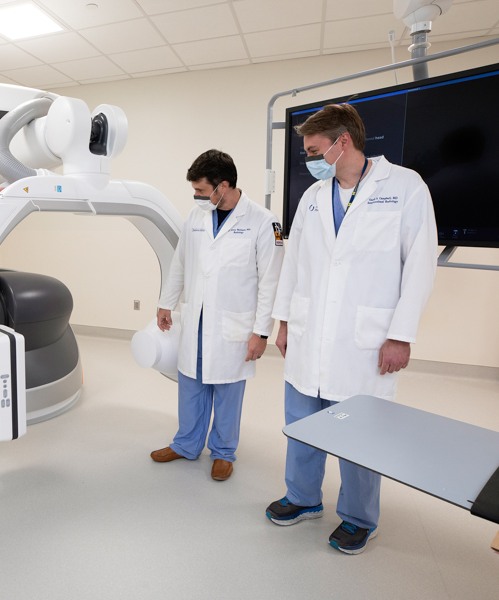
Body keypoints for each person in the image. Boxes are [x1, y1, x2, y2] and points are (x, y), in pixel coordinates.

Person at [265, 104, 437, 554]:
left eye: (315, 150)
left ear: (344, 143)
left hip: (368, 340)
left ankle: (359, 517)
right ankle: (302, 498)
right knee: (302, 420)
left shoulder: (404, 187)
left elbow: (419, 266)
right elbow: (293, 262)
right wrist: (282, 321)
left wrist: (401, 335)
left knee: (361, 432)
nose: (310, 160)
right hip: (308, 332)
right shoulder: (313, 196)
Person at [151, 150, 284, 481]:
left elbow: (272, 282)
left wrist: (262, 333)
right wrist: (166, 302)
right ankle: (186, 444)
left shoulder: (264, 222)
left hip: (235, 325)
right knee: (191, 384)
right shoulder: (196, 218)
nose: (196, 196)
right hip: (196, 318)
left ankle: (224, 452)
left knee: (228, 390)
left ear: (223, 186)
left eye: (200, 190)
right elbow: (180, 262)